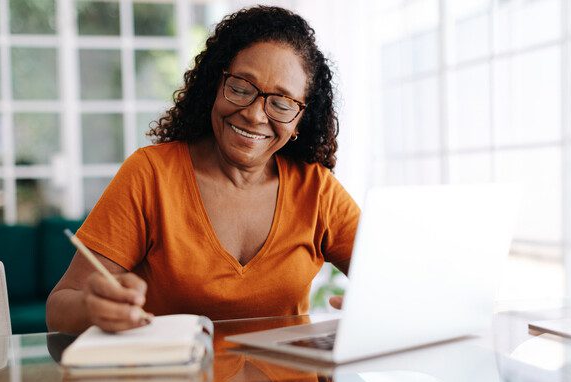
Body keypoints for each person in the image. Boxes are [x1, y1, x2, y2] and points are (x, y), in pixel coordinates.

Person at [46, 6, 360, 334]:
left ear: (299, 122)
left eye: (281, 104)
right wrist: (92, 308)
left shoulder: (317, 190)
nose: (254, 115)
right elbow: (60, 306)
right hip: (175, 381)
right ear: (215, 85)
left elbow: (396, 284)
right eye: (240, 88)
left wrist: (374, 305)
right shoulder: (151, 174)